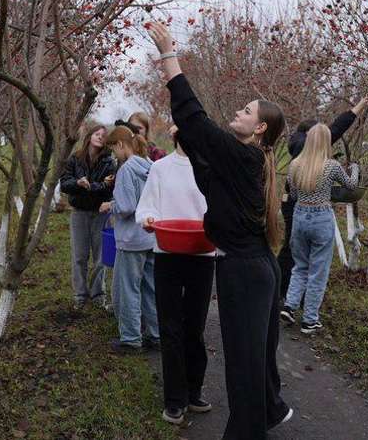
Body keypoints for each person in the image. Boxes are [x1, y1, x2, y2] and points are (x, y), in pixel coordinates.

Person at [147, 22, 292, 440]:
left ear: (260, 128)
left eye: (247, 111)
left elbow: (197, 118)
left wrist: (169, 57)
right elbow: (209, 176)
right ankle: (270, 410)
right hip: (254, 267)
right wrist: (189, 140)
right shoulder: (247, 160)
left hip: (246, 273)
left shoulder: (246, 157)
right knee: (256, 355)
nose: (239, 113)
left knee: (244, 363)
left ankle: (247, 431)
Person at [135, 125, 215, 425]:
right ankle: (174, 400)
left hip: (203, 255)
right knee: (170, 329)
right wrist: (148, 220)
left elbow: (217, 210)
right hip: (167, 253)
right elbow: (145, 208)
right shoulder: (160, 168)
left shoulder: (210, 166)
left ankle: (193, 391)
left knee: (194, 327)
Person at [277, 98, 368, 305]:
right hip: (302, 208)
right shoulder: (306, 147)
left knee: (293, 250)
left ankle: (286, 293)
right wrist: (356, 109)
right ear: (312, 135)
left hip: (293, 203)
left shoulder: (298, 147)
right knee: (301, 256)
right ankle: (287, 294)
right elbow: (336, 129)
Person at [280, 124, 360, 333]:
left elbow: (294, 194)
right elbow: (351, 186)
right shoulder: (332, 166)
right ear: (325, 142)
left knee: (300, 266)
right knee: (318, 271)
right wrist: (355, 168)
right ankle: (309, 320)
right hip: (321, 217)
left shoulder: (295, 164)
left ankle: (289, 305)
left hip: (299, 216)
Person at [99, 125, 160, 353]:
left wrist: (110, 205)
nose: (114, 154)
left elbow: (126, 207)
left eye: (114, 149)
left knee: (128, 289)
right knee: (150, 289)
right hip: (150, 238)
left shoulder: (126, 170)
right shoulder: (150, 166)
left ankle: (131, 339)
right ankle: (155, 334)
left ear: (121, 145)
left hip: (131, 239)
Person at [59, 123, 116, 310]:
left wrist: (90, 186)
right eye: (96, 134)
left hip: (101, 214)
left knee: (100, 257)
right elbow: (64, 184)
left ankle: (98, 293)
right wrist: (78, 182)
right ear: (89, 136)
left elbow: (109, 188)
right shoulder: (75, 159)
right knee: (79, 256)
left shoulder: (109, 162)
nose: (100, 137)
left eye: (103, 135)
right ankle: (80, 294)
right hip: (79, 213)